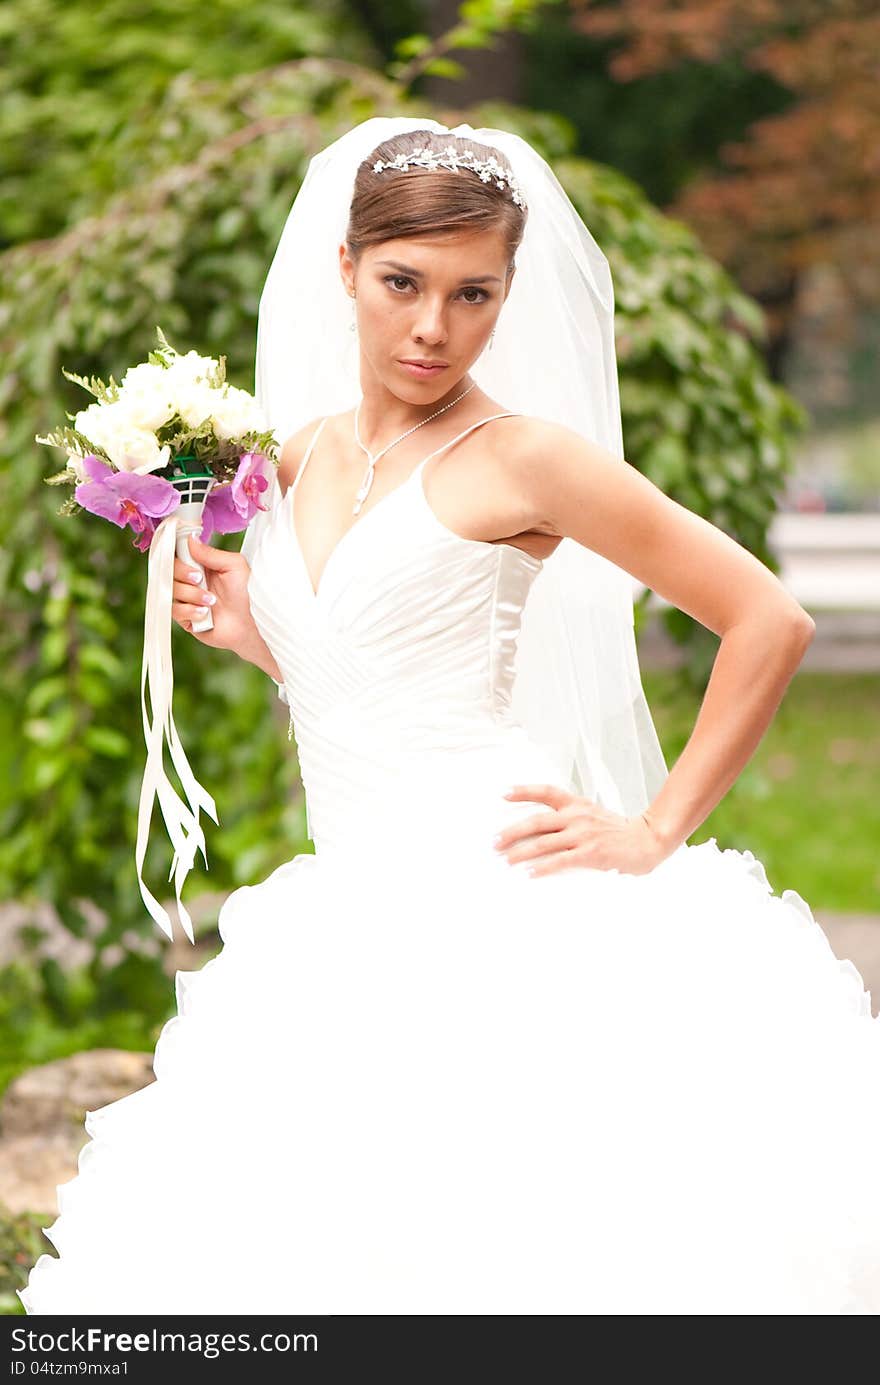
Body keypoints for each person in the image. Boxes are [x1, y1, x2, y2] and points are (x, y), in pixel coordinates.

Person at [20, 119, 880, 1316]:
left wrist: (654, 827)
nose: (433, 326)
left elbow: (768, 620)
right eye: (403, 285)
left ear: (508, 295)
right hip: (343, 911)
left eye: (473, 293)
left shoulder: (525, 456)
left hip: (504, 900)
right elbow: (358, 678)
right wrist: (249, 624)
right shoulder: (295, 453)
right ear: (345, 272)